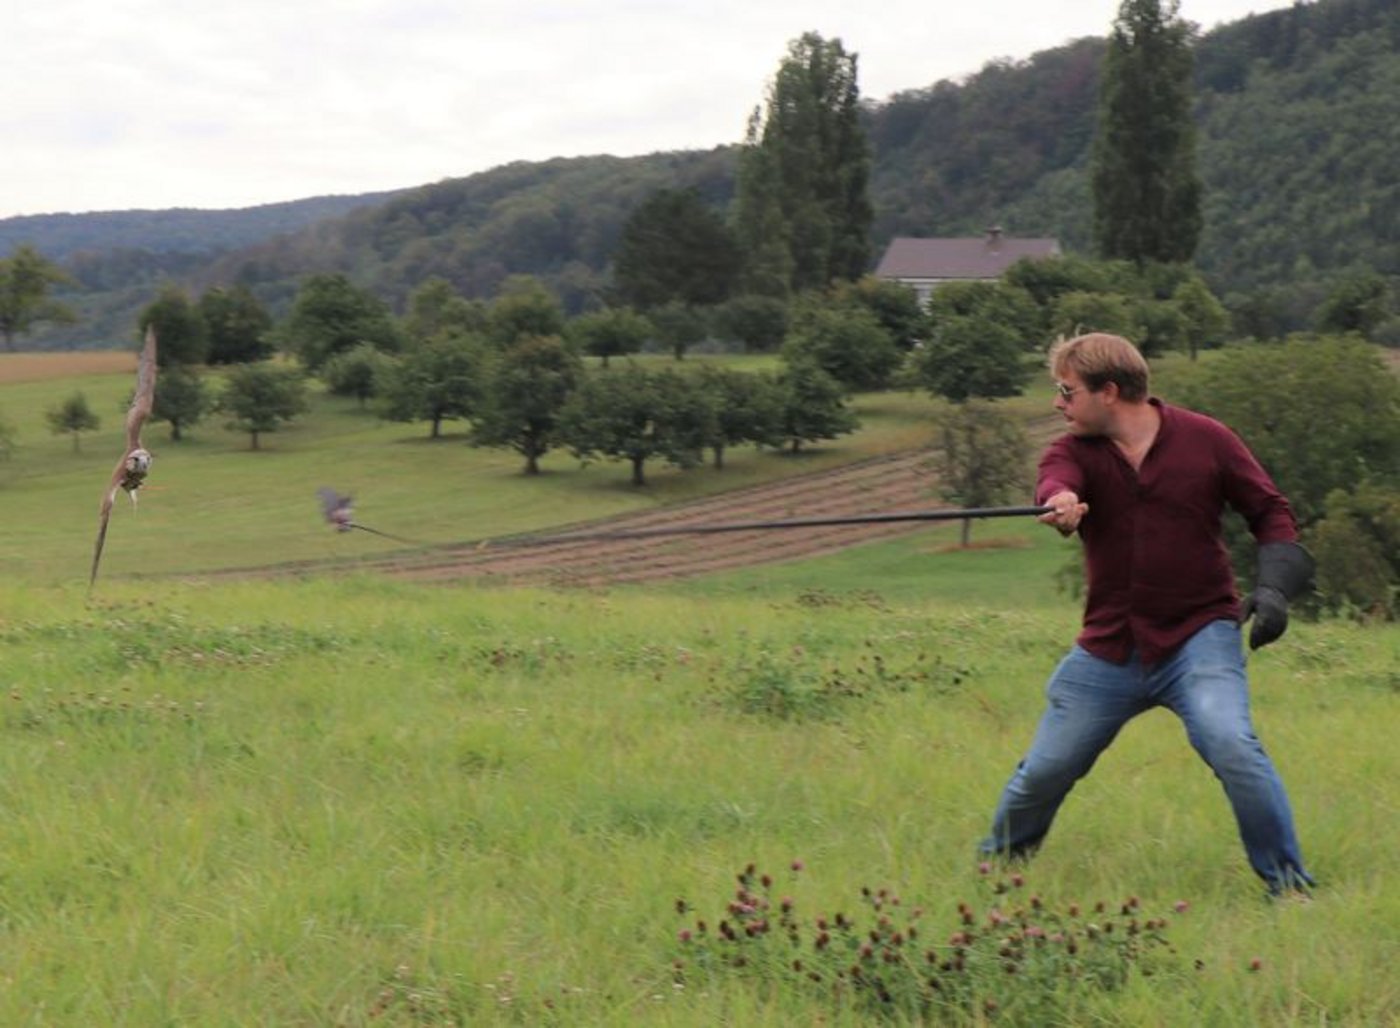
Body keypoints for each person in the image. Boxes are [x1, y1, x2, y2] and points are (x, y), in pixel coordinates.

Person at [978, 332, 1316, 896]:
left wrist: (1276, 589)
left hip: (1200, 638)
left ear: (1108, 392)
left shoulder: (1207, 440)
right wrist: (1061, 504)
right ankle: (993, 874)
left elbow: (1270, 511)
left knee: (1232, 744)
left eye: (1067, 391)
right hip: (1108, 651)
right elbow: (1057, 483)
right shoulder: (1072, 450)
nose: (1058, 404)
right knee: (1045, 770)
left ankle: (1289, 888)